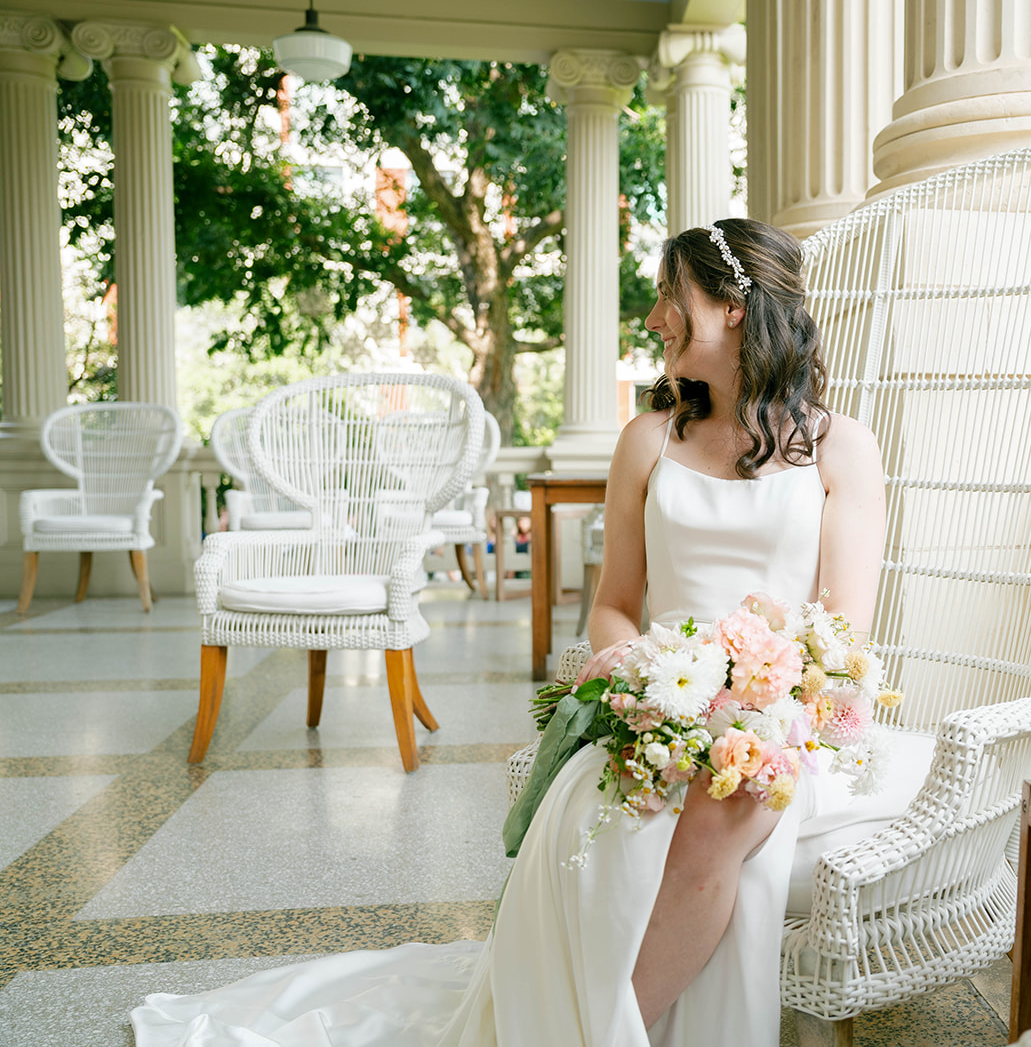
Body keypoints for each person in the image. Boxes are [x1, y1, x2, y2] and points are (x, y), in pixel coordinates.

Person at [130, 218, 929, 1047]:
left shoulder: (843, 450)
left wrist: (752, 711)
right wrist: (639, 680)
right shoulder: (647, 441)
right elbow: (614, 603)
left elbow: (842, 632)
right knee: (642, 802)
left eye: (668, 297)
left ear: (732, 308)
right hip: (661, 700)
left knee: (722, 809)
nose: (653, 318)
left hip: (793, 716)